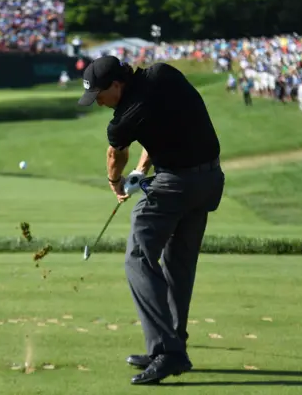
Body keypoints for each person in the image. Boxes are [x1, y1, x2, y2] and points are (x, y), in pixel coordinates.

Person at [78, 56, 225, 385]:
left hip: (176, 184)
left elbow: (115, 155)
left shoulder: (121, 120)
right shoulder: (163, 74)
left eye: (100, 95)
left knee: (137, 258)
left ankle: (167, 351)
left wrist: (115, 184)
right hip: (210, 180)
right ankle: (174, 343)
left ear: (117, 85)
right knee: (178, 264)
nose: (98, 103)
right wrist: (144, 168)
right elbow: (169, 121)